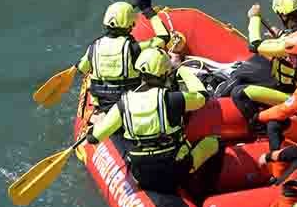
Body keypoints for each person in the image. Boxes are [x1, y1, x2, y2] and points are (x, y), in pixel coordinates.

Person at [85, 48, 219, 193]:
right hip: (174, 172)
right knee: (213, 142)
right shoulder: (173, 99)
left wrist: (94, 127)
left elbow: (93, 138)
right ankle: (205, 189)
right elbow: (202, 97)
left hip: (141, 175)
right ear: (166, 73)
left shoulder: (122, 105)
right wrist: (182, 71)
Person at [75, 0, 172, 113]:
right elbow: (164, 37)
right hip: (129, 104)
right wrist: (147, 10)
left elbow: (82, 68)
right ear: (131, 25)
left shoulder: (93, 47)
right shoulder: (134, 48)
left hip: (103, 104)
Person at [229, 29, 297, 126]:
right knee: (241, 79)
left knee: (239, 92)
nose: (289, 59)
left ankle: (258, 128)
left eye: (292, 57)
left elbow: (290, 107)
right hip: (289, 95)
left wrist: (259, 117)